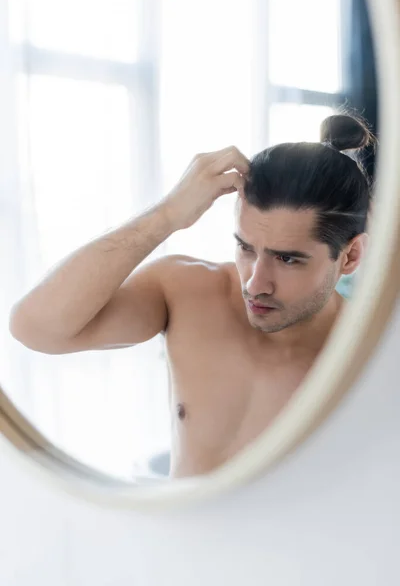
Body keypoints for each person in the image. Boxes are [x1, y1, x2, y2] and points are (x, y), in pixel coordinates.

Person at [9, 113, 375, 479]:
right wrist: (167, 215)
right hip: (176, 536)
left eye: (287, 258)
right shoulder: (186, 291)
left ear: (351, 256)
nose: (255, 283)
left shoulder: (370, 358)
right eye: (245, 247)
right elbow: (35, 328)